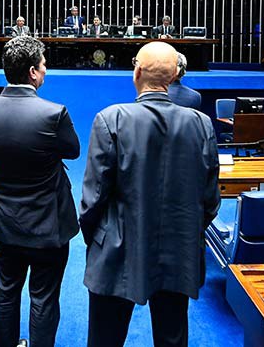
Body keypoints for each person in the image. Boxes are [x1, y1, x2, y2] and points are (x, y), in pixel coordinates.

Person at [80, 41, 220, 347]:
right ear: (172, 77)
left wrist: (100, 240)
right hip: (179, 250)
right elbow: (210, 201)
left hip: (117, 251)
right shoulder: (202, 124)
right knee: (172, 338)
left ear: (137, 72)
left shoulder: (111, 119)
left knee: (105, 339)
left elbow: (92, 200)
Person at [0, 36, 81, 347]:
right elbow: (72, 150)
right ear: (33, 72)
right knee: (44, 297)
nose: (46, 70)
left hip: (5, 220)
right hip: (48, 223)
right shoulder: (53, 113)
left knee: (5, 293)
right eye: (44, 65)